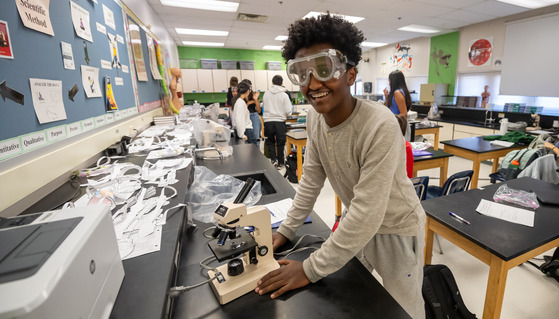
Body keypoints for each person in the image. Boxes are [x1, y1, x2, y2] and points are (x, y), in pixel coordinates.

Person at [254, 14, 426, 319]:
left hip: (397, 228)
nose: (314, 83)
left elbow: (369, 211)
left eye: (324, 69)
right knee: (352, 296)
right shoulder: (314, 118)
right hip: (358, 223)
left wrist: (308, 269)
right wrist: (288, 229)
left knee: (404, 308)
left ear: (350, 74)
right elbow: (311, 181)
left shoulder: (379, 124)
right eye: (302, 73)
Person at [263, 75, 292, 169]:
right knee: (280, 143)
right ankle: (280, 163)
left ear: (272, 83)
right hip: (280, 122)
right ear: (282, 83)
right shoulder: (284, 95)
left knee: (270, 142)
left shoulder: (266, 93)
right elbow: (288, 111)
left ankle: (273, 161)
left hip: (268, 122)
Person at [241, 79, 262, 147]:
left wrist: (256, 100)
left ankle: (257, 155)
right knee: (246, 138)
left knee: (256, 138)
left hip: (254, 117)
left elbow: (259, 111)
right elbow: (242, 110)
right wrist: (248, 103)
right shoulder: (241, 97)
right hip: (244, 118)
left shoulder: (253, 96)